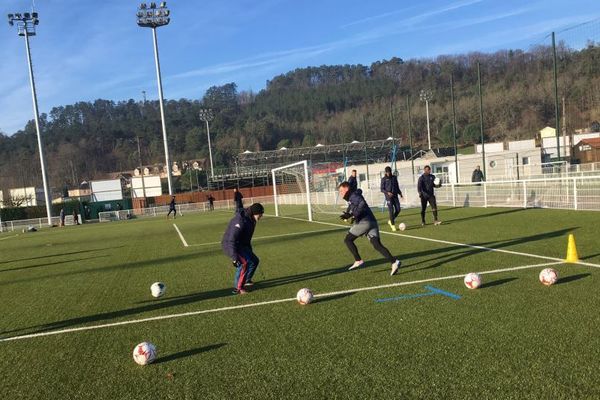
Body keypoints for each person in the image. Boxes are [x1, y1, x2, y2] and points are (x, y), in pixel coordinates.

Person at [338, 182, 402, 276]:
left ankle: (358, 260)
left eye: (341, 190)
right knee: (377, 245)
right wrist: (349, 215)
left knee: (348, 240)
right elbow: (356, 205)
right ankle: (394, 262)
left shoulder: (353, 195)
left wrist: (353, 214)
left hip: (365, 222)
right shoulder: (352, 196)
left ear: (346, 188)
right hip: (372, 222)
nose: (340, 193)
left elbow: (362, 203)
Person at [221, 203, 264, 294]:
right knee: (244, 263)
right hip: (230, 245)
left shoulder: (252, 220)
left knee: (254, 260)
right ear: (254, 213)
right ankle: (238, 288)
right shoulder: (240, 220)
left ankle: (247, 280)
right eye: (260, 214)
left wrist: (249, 250)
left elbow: (247, 238)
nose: (261, 216)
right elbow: (231, 240)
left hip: (241, 245)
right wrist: (234, 258)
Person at [380, 166, 403, 231]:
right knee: (391, 210)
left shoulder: (394, 178)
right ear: (385, 172)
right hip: (388, 197)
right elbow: (382, 189)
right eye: (387, 172)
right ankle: (393, 225)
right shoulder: (383, 179)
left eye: (389, 172)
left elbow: (397, 186)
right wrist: (388, 193)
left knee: (398, 209)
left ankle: (391, 220)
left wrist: (400, 193)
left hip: (395, 196)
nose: (388, 173)